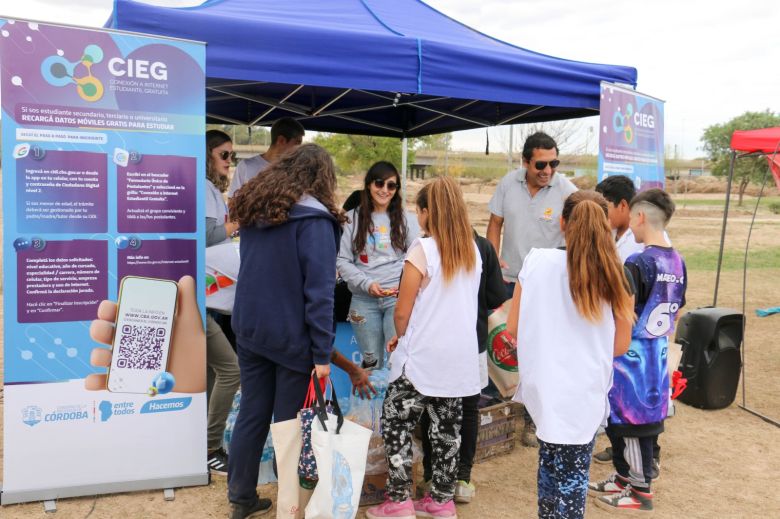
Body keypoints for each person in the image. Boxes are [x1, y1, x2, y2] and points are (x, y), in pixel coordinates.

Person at [226, 144, 346, 519]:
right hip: (290, 337)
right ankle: (289, 503)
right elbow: (320, 293)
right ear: (323, 178)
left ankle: (241, 498)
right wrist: (322, 354)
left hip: (249, 328)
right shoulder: (315, 221)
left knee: (252, 413)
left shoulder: (257, 210)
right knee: (289, 426)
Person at [505, 190, 634, 519]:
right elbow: (620, 345)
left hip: (545, 391)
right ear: (604, 225)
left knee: (549, 478)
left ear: (562, 223)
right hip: (584, 396)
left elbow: (514, 328)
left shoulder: (536, 263)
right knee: (571, 485)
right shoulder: (618, 275)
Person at [366, 176, 482, 519]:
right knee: (447, 431)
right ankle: (441, 501)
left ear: (428, 212)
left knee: (396, 422)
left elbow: (403, 310)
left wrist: (400, 335)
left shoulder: (423, 249)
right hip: (457, 358)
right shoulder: (472, 251)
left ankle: (399, 500)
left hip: (421, 357)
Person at [590, 189, 687, 514]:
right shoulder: (677, 261)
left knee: (629, 426)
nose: (629, 224)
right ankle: (622, 478)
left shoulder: (638, 261)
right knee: (641, 424)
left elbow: (622, 309)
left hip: (632, 361)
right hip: (657, 359)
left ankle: (639, 490)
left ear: (641, 217)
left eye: (631, 217)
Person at [486, 131, 577, 447]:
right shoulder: (507, 184)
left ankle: (532, 420)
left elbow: (575, 237)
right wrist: (493, 262)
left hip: (544, 287)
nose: (548, 170)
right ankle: (501, 412)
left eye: (554, 163)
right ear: (525, 161)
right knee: (505, 346)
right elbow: (495, 224)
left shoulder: (567, 190)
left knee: (538, 351)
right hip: (509, 281)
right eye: (541, 164)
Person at [418, 186, 507, 504]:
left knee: (433, 408)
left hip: (434, 346)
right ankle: (462, 478)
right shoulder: (481, 246)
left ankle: (431, 476)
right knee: (468, 410)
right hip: (473, 344)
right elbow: (497, 296)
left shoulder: (426, 248)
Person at [336, 162, 419, 370]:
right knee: (370, 364)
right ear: (369, 185)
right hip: (363, 301)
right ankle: (366, 404)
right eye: (379, 183)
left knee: (396, 362)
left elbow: (416, 258)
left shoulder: (406, 219)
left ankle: (391, 404)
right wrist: (367, 283)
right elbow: (342, 260)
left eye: (391, 186)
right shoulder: (351, 219)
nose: (384, 190)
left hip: (396, 299)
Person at [203, 130, 241, 475]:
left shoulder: (212, 190)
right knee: (231, 370)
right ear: (208, 155)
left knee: (214, 372)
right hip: (198, 299)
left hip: (207, 297)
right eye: (225, 155)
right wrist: (239, 222)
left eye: (232, 156)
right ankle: (211, 446)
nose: (230, 162)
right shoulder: (204, 188)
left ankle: (201, 440)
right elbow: (208, 236)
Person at [227, 117, 305, 197]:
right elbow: (232, 200)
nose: (299, 148)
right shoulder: (246, 166)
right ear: (281, 140)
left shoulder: (293, 170)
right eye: (297, 143)